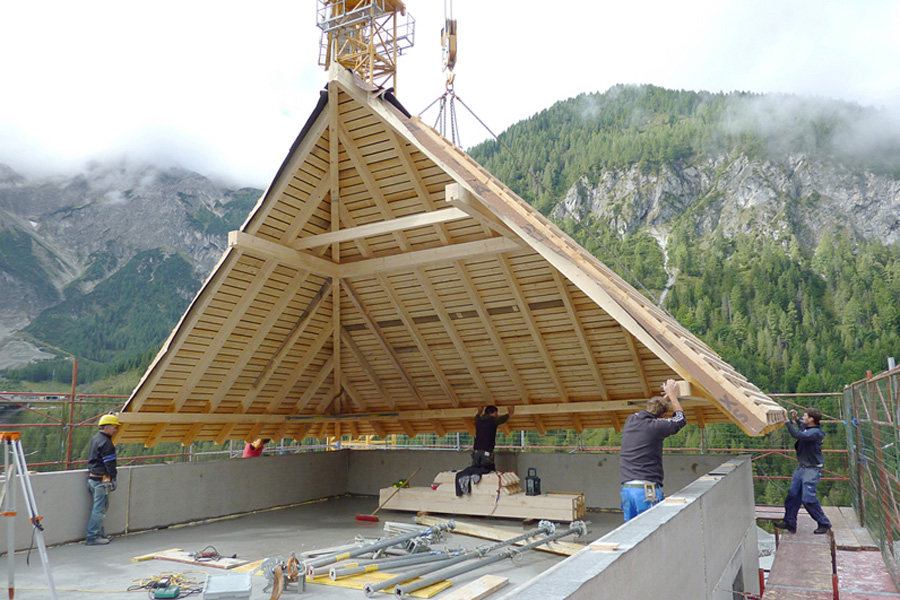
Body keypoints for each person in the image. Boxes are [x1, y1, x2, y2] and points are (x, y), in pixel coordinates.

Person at [619, 379, 687, 521]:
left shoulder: (631, 419)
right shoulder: (656, 426)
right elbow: (680, 420)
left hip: (627, 489)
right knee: (650, 530)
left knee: (630, 532)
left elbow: (652, 411)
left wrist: (665, 397)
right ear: (662, 416)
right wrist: (673, 396)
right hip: (646, 491)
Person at [774, 408, 832, 534]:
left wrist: (787, 421)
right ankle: (790, 523)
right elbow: (802, 428)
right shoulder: (809, 428)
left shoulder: (816, 433)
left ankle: (824, 523)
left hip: (811, 468)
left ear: (811, 419)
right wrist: (796, 419)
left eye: (804, 416)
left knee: (808, 498)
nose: (802, 418)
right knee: (792, 495)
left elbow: (797, 434)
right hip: (802, 467)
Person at [85, 413, 119, 545]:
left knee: (99, 509)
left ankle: (99, 533)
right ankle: (93, 536)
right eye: (114, 428)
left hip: (93, 479)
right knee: (99, 510)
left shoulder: (96, 439)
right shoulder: (107, 443)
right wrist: (113, 478)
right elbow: (109, 464)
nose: (115, 430)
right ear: (107, 428)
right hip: (101, 481)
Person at [472, 404, 514, 470]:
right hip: (487, 451)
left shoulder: (478, 421)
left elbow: (477, 416)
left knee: (475, 471)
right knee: (488, 471)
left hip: (476, 451)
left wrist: (480, 410)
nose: (497, 415)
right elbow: (502, 419)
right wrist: (510, 413)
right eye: (496, 413)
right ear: (492, 413)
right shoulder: (493, 421)